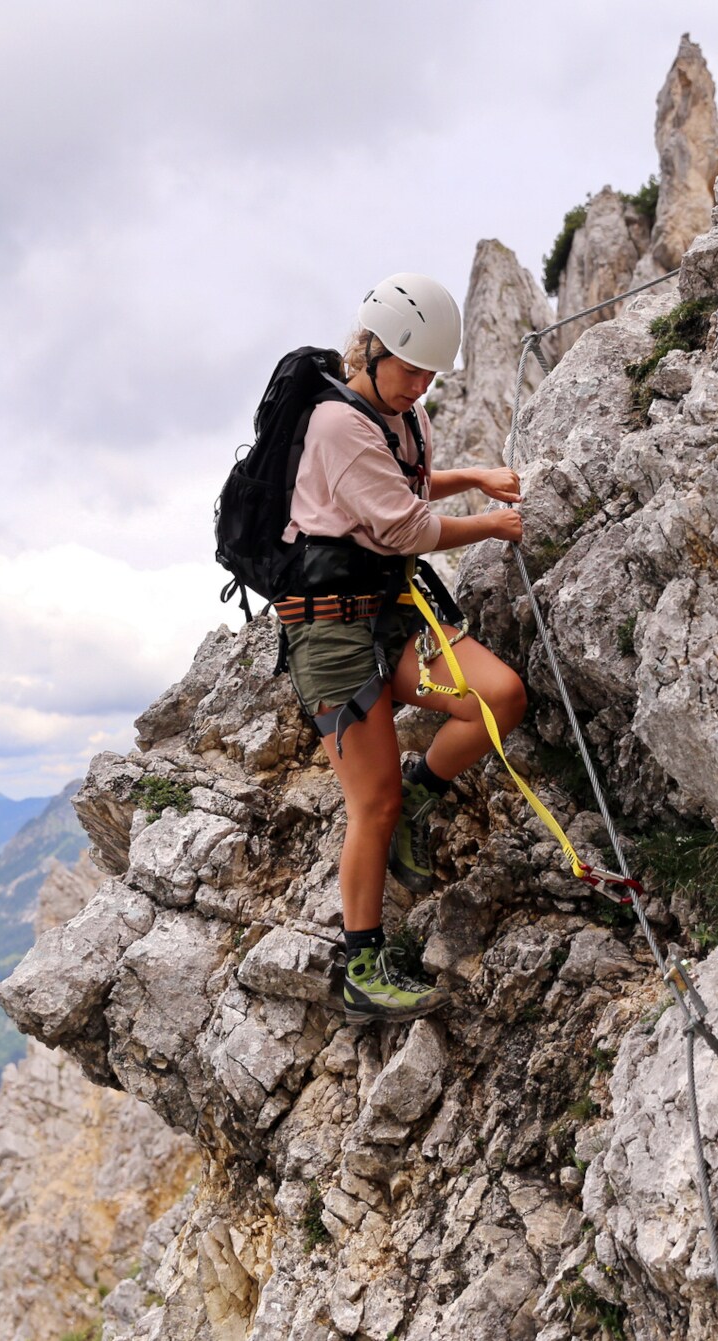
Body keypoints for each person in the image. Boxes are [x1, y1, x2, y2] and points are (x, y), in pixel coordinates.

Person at [281, 273, 528, 1023]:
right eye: (410, 369)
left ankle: (423, 800)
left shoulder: (400, 418)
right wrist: (487, 521)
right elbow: (405, 528)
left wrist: (470, 477)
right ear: (372, 350)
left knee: (502, 697)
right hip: (330, 631)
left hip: (389, 616)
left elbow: (408, 485)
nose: (420, 386)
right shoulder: (337, 423)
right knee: (371, 800)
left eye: (430, 374)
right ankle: (361, 965)